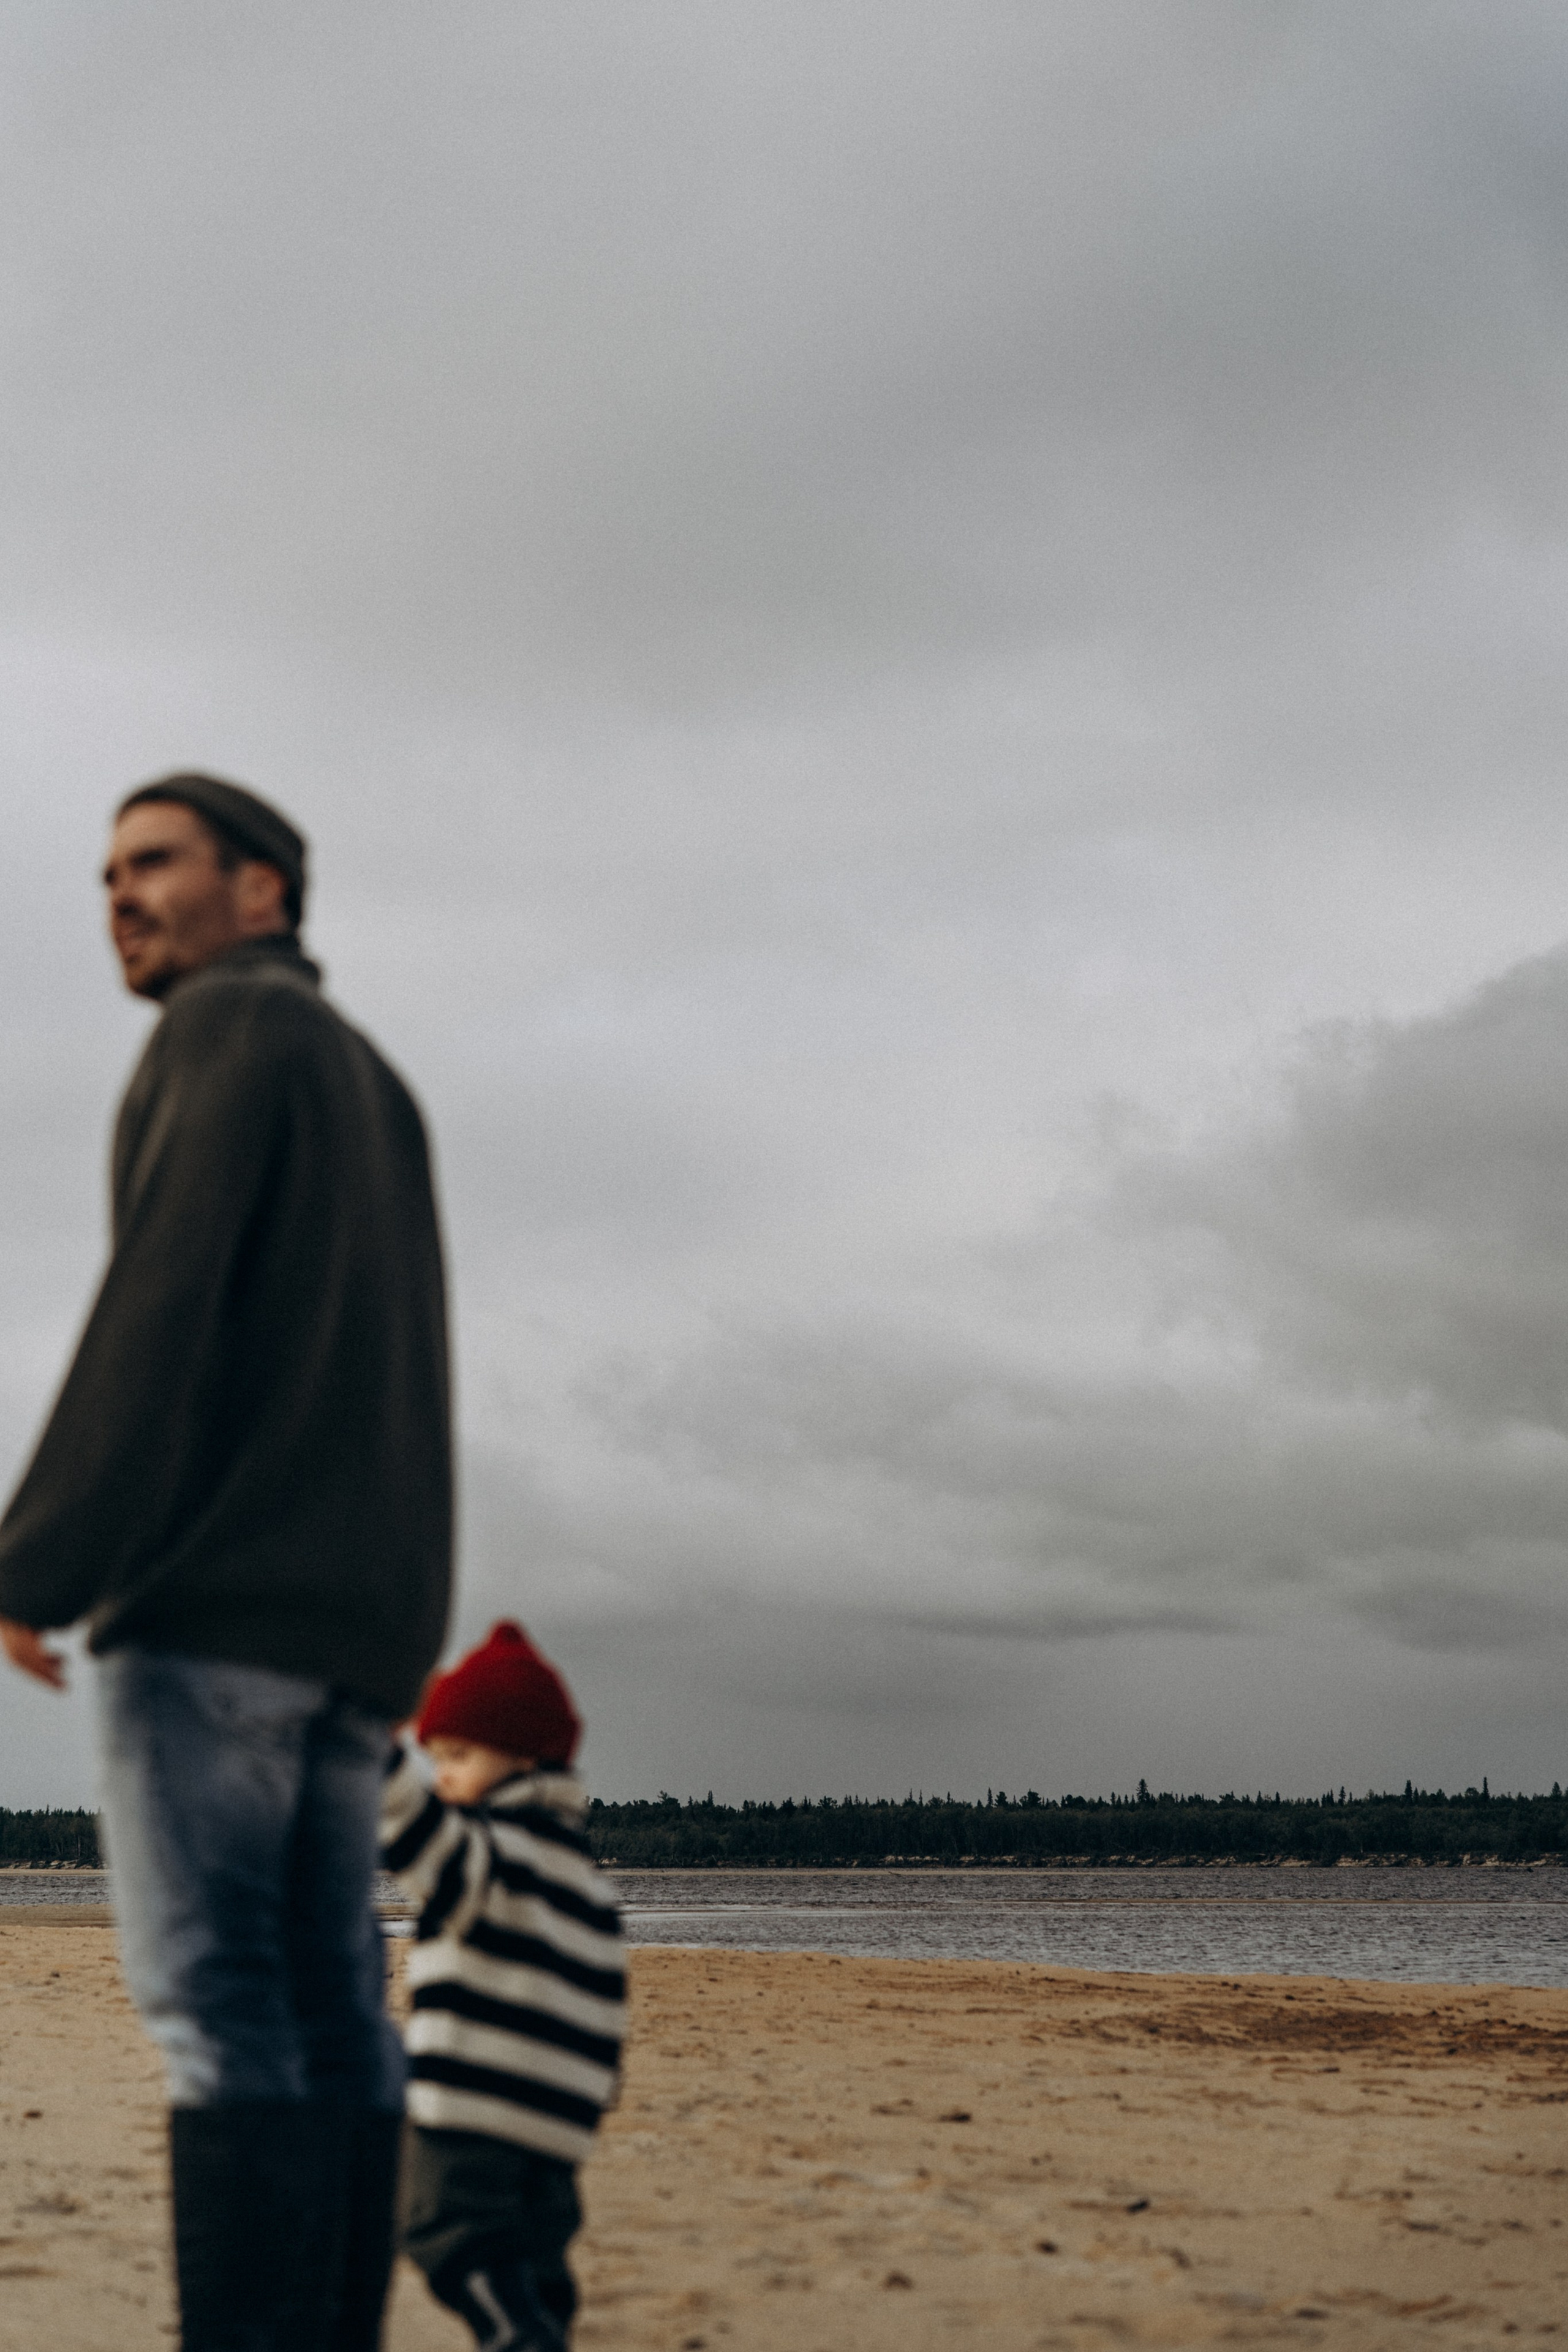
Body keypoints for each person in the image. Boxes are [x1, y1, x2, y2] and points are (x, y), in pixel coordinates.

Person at [0, 774, 453, 2351]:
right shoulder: (376, 1080)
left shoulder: (221, 1030)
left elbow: (160, 1305)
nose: (120, 894)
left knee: (221, 2023)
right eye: (108, 870)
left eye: (155, 862)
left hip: (209, 1622)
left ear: (263, 890)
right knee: (337, 2017)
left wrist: (34, 1555)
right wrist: (399, 1627)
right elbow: (402, 1374)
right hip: (349, 1641)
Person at [380, 1620, 625, 2352]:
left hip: (474, 2110)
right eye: (434, 1757)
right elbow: (606, 1999)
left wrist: (377, 1737)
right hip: (559, 2125)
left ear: (524, 1758)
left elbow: (411, 1828)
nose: (443, 1775)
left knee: (445, 2229)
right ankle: (540, 2323)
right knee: (539, 2256)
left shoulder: (496, 1855)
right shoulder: (584, 1878)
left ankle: (515, 2332)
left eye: (457, 1756)